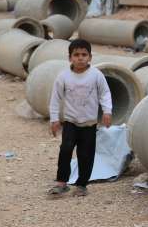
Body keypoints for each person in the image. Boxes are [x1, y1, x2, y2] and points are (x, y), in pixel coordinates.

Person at [47, 39, 112, 197]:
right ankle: (62, 182)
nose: (80, 58)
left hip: (89, 124)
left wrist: (107, 111)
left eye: (84, 54)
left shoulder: (96, 75)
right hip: (71, 122)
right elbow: (55, 99)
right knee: (65, 150)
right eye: (76, 55)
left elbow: (105, 93)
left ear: (90, 57)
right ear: (70, 58)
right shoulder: (63, 76)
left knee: (85, 154)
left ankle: (82, 184)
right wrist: (54, 119)